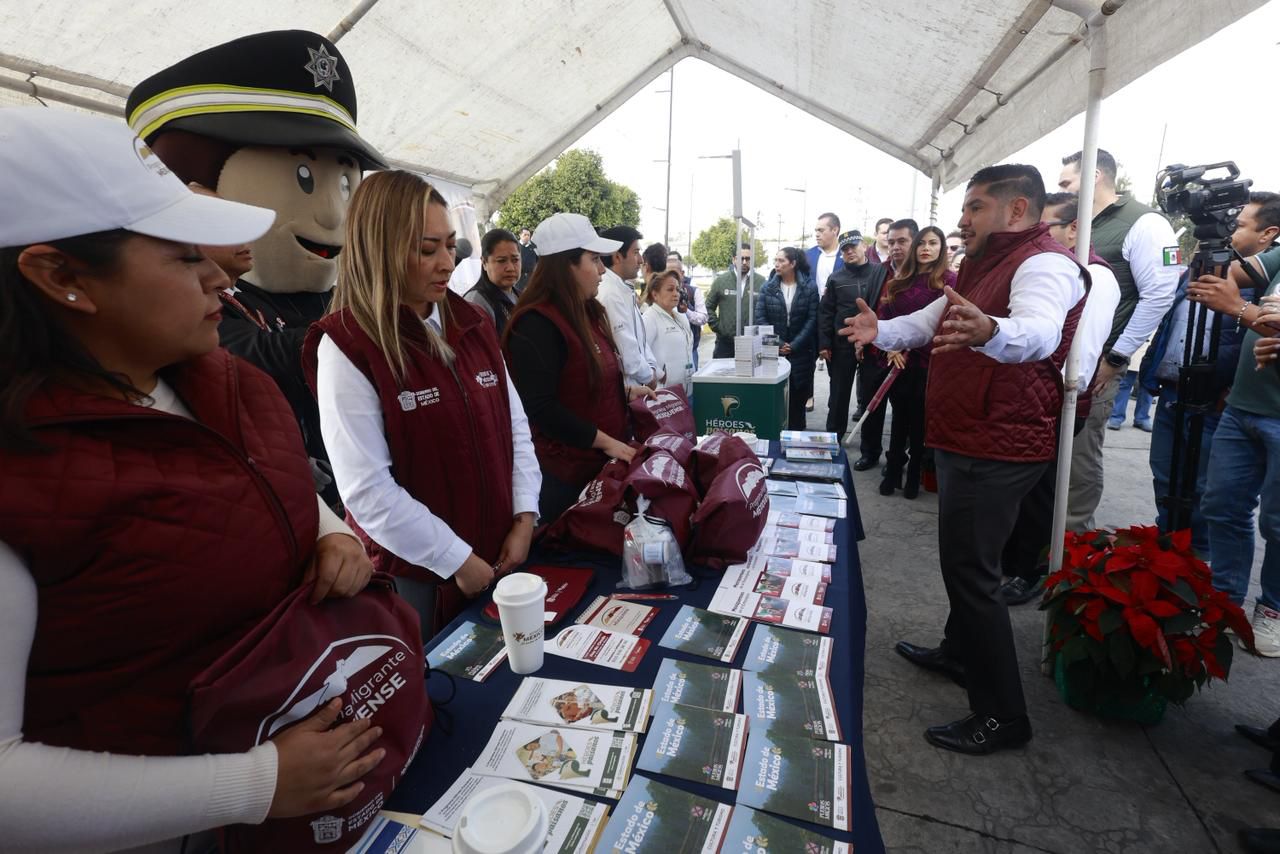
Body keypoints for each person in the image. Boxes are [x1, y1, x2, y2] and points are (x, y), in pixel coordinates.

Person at [0, 107, 382, 853]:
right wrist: (256, 785)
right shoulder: (20, 472)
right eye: (181, 256)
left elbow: (271, 487)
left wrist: (335, 534)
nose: (218, 272)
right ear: (61, 277)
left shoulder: (226, 380)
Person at [842, 164, 1087, 754]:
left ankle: (1003, 715)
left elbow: (1039, 332)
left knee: (973, 573)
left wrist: (991, 331)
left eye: (975, 206)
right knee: (963, 564)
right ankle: (960, 652)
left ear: (1017, 210)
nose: (961, 218)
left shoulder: (1044, 263)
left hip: (996, 443)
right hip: (969, 436)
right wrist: (883, 330)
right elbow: (929, 321)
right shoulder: (980, 264)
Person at [308, 170, 541, 636]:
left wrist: (525, 514)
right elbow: (368, 490)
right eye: (426, 249)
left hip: (498, 554)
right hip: (421, 579)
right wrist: (455, 559)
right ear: (382, 249)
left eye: (451, 246)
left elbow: (513, 425)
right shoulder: (347, 345)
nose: (446, 263)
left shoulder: (471, 320)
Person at [1138, 191, 1278, 559]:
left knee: (1211, 494)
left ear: (1268, 235)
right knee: (1170, 480)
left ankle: (1199, 564)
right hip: (1175, 390)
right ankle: (1166, 555)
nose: (1228, 230)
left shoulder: (1262, 280)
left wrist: (1230, 385)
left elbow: (1255, 337)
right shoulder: (1210, 265)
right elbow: (1176, 315)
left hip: (1221, 400)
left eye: (1238, 224)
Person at [997, 191, 1120, 606]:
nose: (1038, 236)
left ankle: (1030, 571)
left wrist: (1066, 397)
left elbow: (1083, 350)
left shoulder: (1095, 275)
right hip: (1035, 398)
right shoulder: (1054, 264)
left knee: (1043, 493)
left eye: (1046, 227)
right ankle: (1013, 561)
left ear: (1074, 228)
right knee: (1025, 491)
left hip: (1061, 402)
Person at [1059, 148, 1180, 530]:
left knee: (1079, 454)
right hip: (1058, 358)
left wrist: (1117, 356)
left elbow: (1159, 295)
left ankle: (1074, 542)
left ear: (1094, 175)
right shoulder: (1077, 221)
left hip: (1097, 363)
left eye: (1067, 182)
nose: (1061, 189)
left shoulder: (1144, 223)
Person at [504, 214, 655, 521]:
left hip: (602, 471)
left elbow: (582, 383)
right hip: (565, 479)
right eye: (594, 259)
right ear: (565, 265)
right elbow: (540, 407)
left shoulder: (588, 312)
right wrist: (607, 442)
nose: (602, 270)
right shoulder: (536, 324)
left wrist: (626, 392)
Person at [1188, 230, 1280, 654]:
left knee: (1277, 524)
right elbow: (1224, 276)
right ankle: (1224, 602)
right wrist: (1215, 233)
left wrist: (1241, 310)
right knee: (1221, 505)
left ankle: (1273, 610)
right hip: (1244, 405)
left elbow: (1234, 300)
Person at [875, 226, 956, 499]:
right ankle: (893, 472)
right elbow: (884, 317)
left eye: (933, 243)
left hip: (929, 363)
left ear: (941, 248)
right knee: (898, 420)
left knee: (921, 423)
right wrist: (891, 348)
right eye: (922, 243)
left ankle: (913, 479)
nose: (926, 248)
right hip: (898, 363)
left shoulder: (949, 281)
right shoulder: (900, 280)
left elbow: (948, 322)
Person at [854, 218, 919, 471]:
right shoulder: (879, 270)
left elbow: (923, 318)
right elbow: (867, 306)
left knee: (902, 411)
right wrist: (860, 341)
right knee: (872, 406)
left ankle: (897, 458)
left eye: (902, 241)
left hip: (906, 355)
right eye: (891, 241)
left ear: (914, 242)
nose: (895, 247)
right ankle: (869, 453)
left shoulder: (922, 274)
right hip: (875, 350)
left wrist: (899, 346)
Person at [819, 230, 888, 442]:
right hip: (843, 343)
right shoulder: (836, 278)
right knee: (838, 394)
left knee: (870, 397)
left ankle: (870, 449)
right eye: (845, 249)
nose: (850, 251)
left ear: (865, 245)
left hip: (873, 343)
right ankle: (833, 438)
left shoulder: (880, 273)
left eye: (853, 246)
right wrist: (824, 344)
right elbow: (825, 313)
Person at [756, 247, 820, 430]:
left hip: (801, 352)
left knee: (797, 404)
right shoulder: (768, 287)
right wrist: (779, 343)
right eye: (775, 260)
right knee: (776, 402)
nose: (777, 264)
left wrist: (794, 345)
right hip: (773, 351)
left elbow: (812, 318)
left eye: (781, 260)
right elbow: (761, 318)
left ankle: (796, 440)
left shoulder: (809, 287)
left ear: (793, 263)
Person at [596, 226, 660, 388]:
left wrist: (652, 368)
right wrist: (648, 375)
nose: (641, 260)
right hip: (627, 389)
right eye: (635, 252)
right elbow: (626, 348)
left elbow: (639, 340)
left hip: (638, 384)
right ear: (617, 257)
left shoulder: (623, 289)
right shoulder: (610, 293)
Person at [706, 243, 766, 357]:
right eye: (741, 258)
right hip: (725, 343)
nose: (744, 262)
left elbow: (766, 310)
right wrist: (718, 327)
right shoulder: (721, 281)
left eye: (747, 259)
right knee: (722, 374)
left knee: (748, 375)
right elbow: (708, 307)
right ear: (734, 259)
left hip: (751, 343)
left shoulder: (761, 282)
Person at [642, 269, 696, 396]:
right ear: (655, 294)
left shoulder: (681, 317)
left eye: (677, 289)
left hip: (687, 389)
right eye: (670, 289)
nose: (676, 293)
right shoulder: (649, 318)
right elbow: (641, 351)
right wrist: (660, 374)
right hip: (664, 393)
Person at [465, 228, 524, 336]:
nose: (510, 268)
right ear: (484, 262)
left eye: (515, 260)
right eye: (501, 261)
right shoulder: (476, 302)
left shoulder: (520, 296)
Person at [668, 250, 707, 370]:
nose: (671, 276)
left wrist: (687, 311)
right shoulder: (660, 294)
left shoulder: (693, 291)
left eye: (674, 273)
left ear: (682, 273)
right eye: (667, 272)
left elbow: (703, 318)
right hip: (669, 351)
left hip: (690, 350)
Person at [806, 212, 845, 300]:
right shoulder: (808, 255)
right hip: (814, 310)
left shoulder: (847, 256)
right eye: (816, 230)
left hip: (838, 310)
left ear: (834, 230)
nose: (817, 234)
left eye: (821, 230)